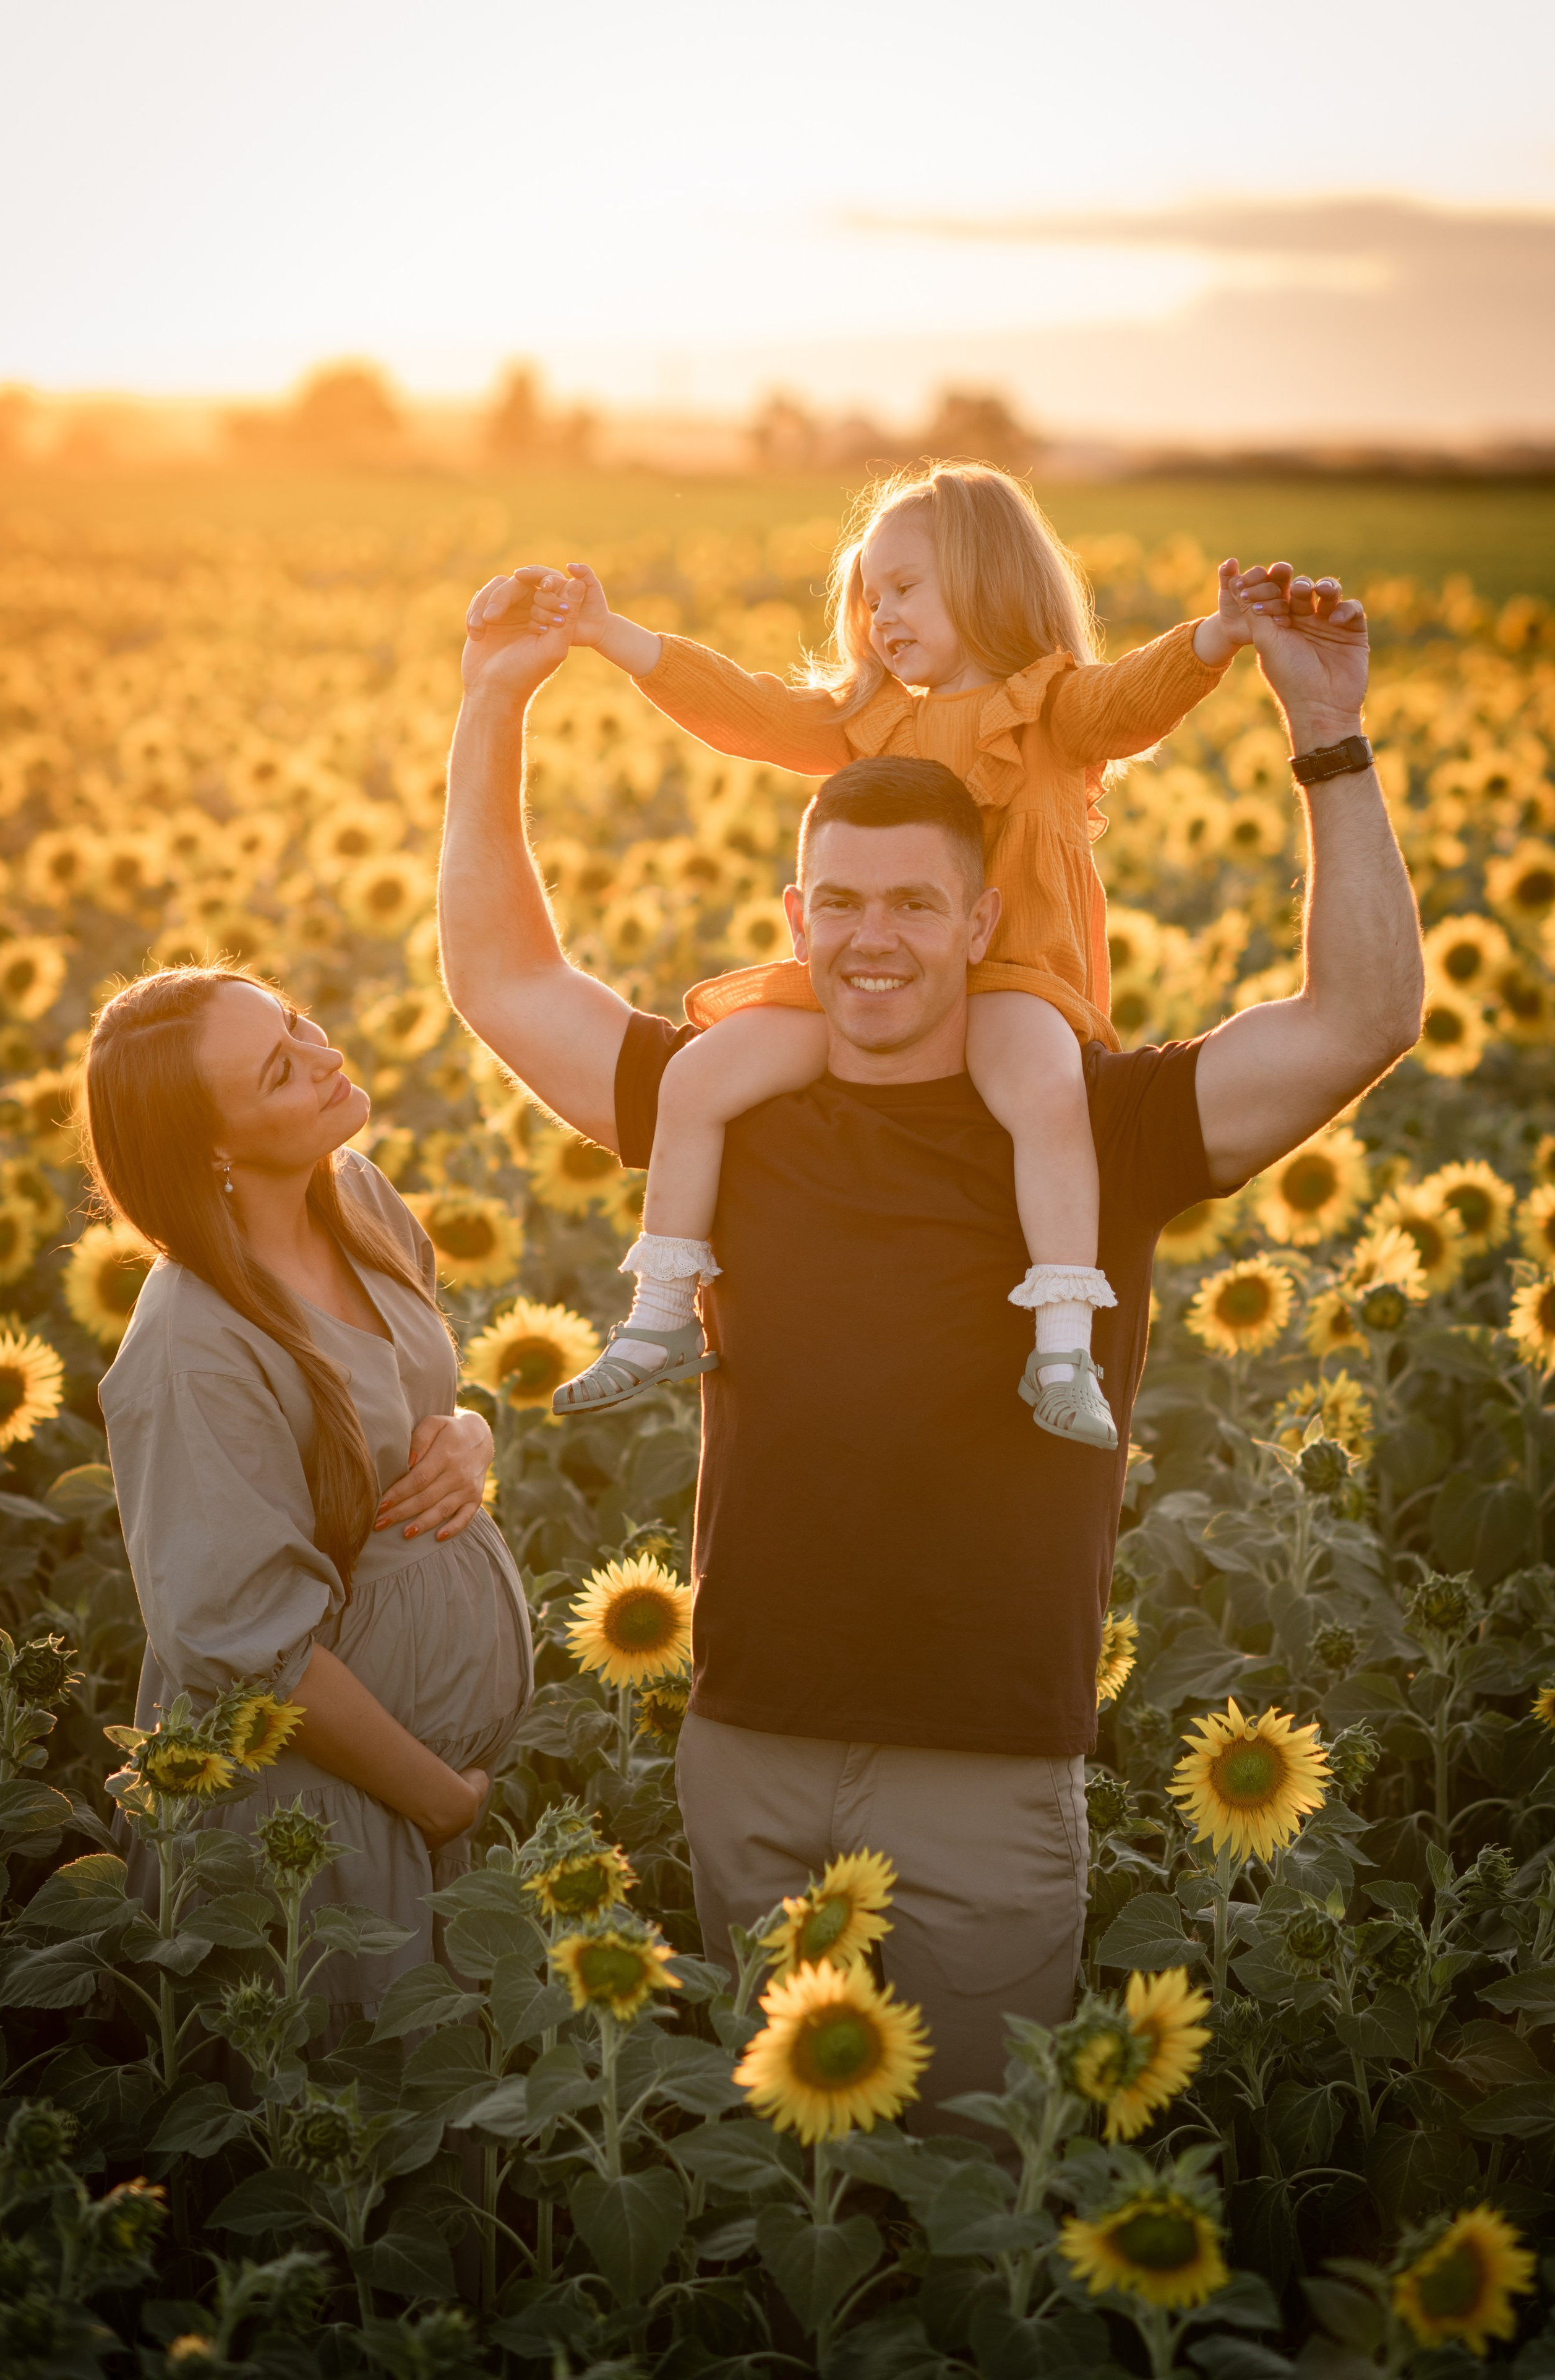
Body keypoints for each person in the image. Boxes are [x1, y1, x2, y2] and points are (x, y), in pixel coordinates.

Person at [439, 557, 1422, 2121]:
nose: (871, 940)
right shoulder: (737, 1103)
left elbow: (1357, 1016)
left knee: (973, 2182)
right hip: (746, 1737)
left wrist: (1326, 736)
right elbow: (503, 981)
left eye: (913, 903)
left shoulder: (1097, 1124)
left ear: (981, 916)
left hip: (982, 1759)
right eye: (840, 902)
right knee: (776, 2179)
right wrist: (495, 701)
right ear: (793, 914)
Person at [476, 465, 1261, 1448]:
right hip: (869, 986)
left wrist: (1216, 639)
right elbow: (752, 713)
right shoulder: (870, 718)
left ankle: (1064, 1348)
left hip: (1013, 976)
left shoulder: (1053, 710)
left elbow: (1132, 700)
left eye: (906, 588)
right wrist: (610, 633)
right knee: (701, 1075)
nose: (881, 614)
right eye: (871, 594)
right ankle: (664, 1314)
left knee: (1048, 1094)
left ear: (987, 577)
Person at [87, 966, 533, 2024]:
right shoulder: (191, 1349)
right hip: (312, 1819)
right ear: (214, 1149)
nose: (326, 1056)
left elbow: (415, 1400)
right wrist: (436, 1795)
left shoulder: (357, 1192)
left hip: (410, 1787)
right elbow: (252, 1647)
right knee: (352, 2133)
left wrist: (471, 1438)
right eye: (282, 1070)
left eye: (295, 1023)